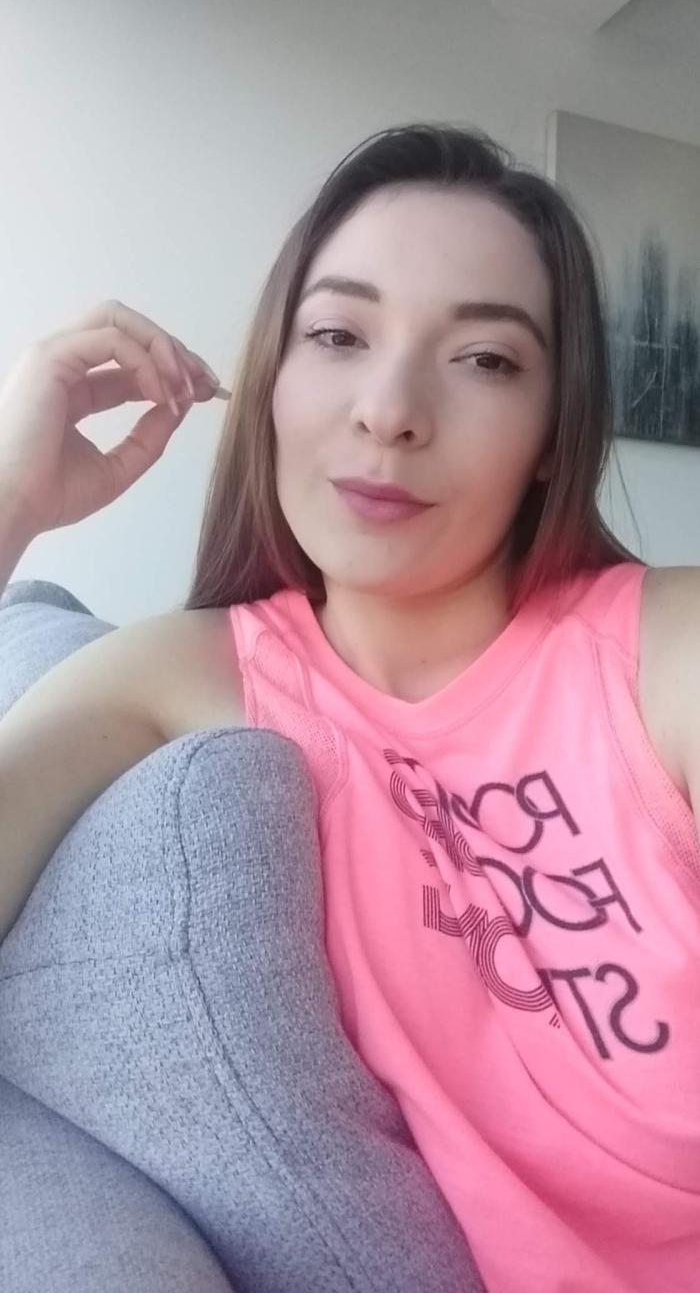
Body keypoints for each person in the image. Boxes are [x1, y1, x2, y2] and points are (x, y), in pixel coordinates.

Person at [0, 121, 698, 1292]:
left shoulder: (662, 650)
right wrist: (9, 499)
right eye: (336, 335)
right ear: (272, 378)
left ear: (550, 435)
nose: (390, 410)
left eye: (485, 360)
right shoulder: (180, 676)